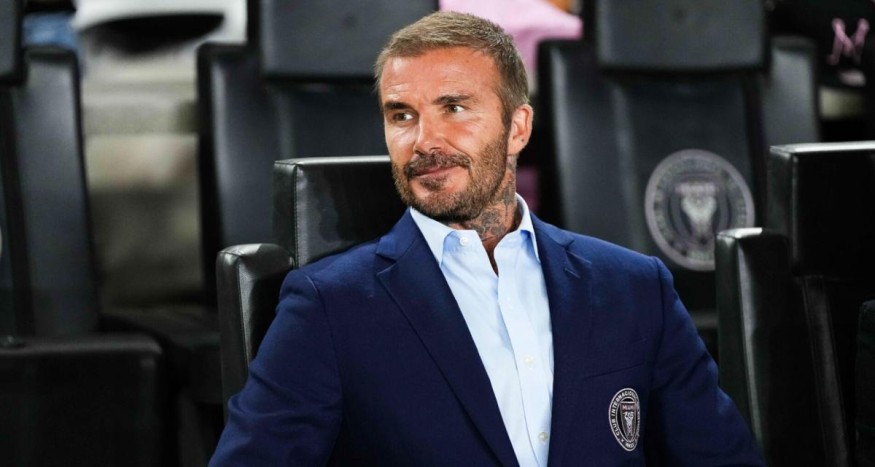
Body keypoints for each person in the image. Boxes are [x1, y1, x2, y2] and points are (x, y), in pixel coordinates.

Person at [210, 11, 764, 466]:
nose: (424, 140)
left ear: (518, 127)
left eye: (454, 108)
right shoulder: (328, 306)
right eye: (401, 115)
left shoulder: (634, 287)